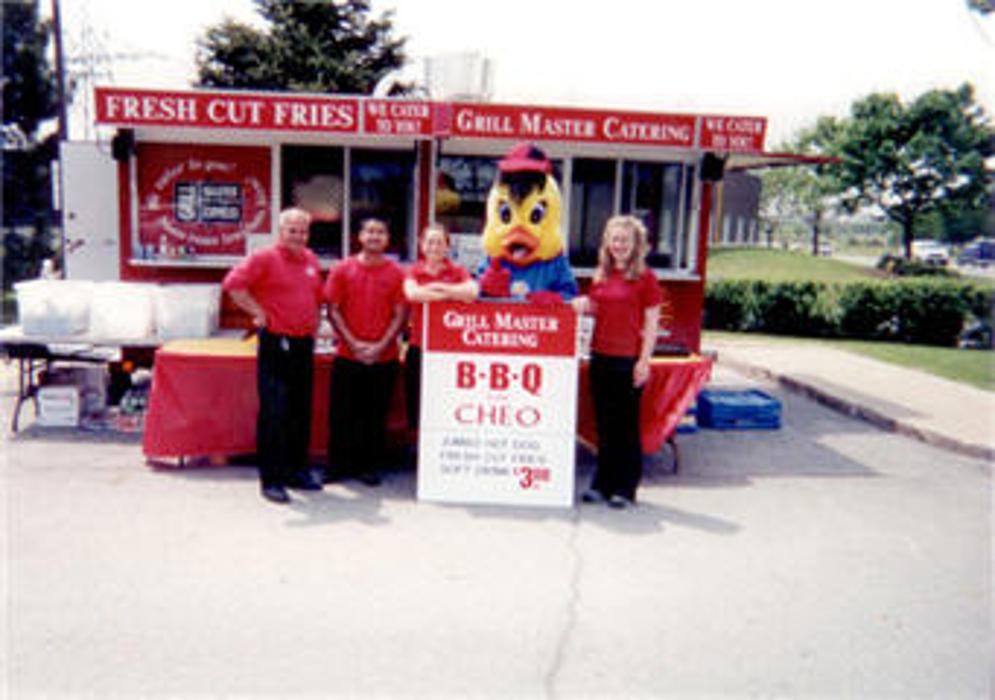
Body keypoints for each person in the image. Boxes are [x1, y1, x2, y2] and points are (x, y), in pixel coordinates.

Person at [222, 207, 325, 504]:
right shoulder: (264, 258)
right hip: (276, 342)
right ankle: (272, 480)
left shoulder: (311, 259)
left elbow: (316, 297)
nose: (298, 236)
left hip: (303, 343)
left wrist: (315, 323)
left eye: (303, 231)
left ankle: (296, 471)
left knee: (299, 411)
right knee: (275, 412)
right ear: (281, 232)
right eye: (292, 230)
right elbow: (233, 285)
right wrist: (258, 312)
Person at [572, 215, 662, 509]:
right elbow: (596, 310)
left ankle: (625, 487)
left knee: (626, 427)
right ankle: (602, 483)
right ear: (607, 243)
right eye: (614, 239)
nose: (619, 245)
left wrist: (644, 361)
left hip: (628, 360)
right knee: (604, 426)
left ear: (636, 244)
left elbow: (652, 323)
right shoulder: (601, 275)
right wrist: (583, 304)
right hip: (600, 357)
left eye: (625, 240)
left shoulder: (646, 278)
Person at [324, 217, 407, 486]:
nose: (374, 236)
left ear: (387, 239)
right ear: (359, 236)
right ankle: (337, 467)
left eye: (380, 232)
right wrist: (353, 344)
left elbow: (401, 314)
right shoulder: (342, 268)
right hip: (347, 355)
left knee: (374, 415)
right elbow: (333, 310)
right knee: (341, 415)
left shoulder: (397, 273)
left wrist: (380, 346)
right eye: (369, 231)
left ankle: (367, 467)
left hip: (384, 357)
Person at [403, 224, 479, 431]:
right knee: (416, 401)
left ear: (447, 247)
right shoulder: (413, 270)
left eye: (439, 242)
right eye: (430, 242)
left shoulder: (457, 271)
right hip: (419, 345)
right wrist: (453, 295)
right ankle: (418, 444)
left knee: (445, 400)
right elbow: (413, 294)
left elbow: (472, 293)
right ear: (421, 245)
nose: (434, 247)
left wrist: (437, 287)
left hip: (448, 349)